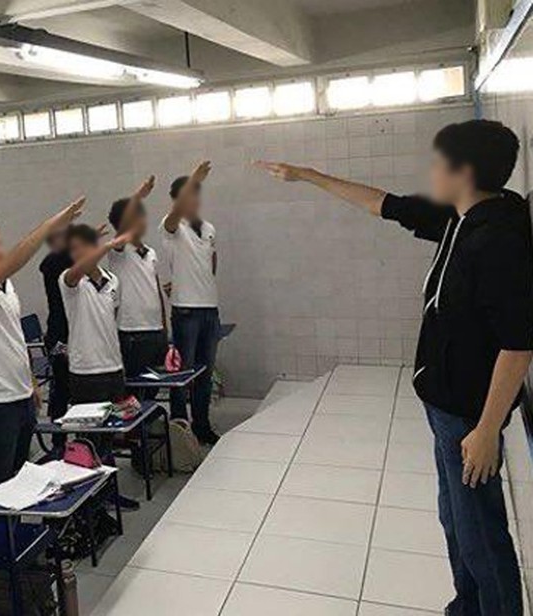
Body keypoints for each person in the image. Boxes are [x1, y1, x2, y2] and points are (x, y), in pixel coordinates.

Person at [257, 118, 531, 616]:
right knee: (456, 521)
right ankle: (467, 606)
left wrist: (488, 429)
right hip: (447, 409)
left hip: (469, 417)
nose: (431, 171)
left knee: (481, 535)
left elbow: (518, 344)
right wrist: (308, 175)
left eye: (438, 163)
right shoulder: (462, 217)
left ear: (464, 171)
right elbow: (383, 204)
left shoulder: (496, 240)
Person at [0, 198, 86, 487]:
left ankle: (16, 517)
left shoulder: (7, 286)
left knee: (19, 473)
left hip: (20, 393)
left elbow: (14, 336)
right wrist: (50, 225)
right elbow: (17, 258)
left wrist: (32, 382)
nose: (0, 250)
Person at [161, 160, 221, 445]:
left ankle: (201, 425)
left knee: (205, 373)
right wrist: (195, 176)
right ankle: (179, 429)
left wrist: (202, 283)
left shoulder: (208, 228)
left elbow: (211, 261)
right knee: (181, 375)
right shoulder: (172, 226)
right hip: (186, 312)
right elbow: (174, 217)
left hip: (210, 309)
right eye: (189, 195)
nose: (194, 200)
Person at [107, 176, 169, 394]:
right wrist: (139, 196)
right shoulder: (118, 251)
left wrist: (164, 327)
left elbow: (156, 291)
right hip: (132, 331)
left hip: (155, 330)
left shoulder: (150, 252)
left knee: (153, 387)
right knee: (134, 390)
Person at [59, 224, 130, 404]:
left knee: (117, 419)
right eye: (73, 248)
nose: (78, 252)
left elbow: (112, 317)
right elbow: (76, 273)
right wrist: (107, 246)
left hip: (114, 365)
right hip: (86, 370)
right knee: (90, 420)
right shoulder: (69, 279)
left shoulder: (113, 280)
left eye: (83, 246)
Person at [39, 227, 73, 448]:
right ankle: (58, 439)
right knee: (62, 385)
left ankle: (62, 437)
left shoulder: (59, 261)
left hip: (66, 332)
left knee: (63, 386)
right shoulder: (54, 264)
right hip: (60, 336)